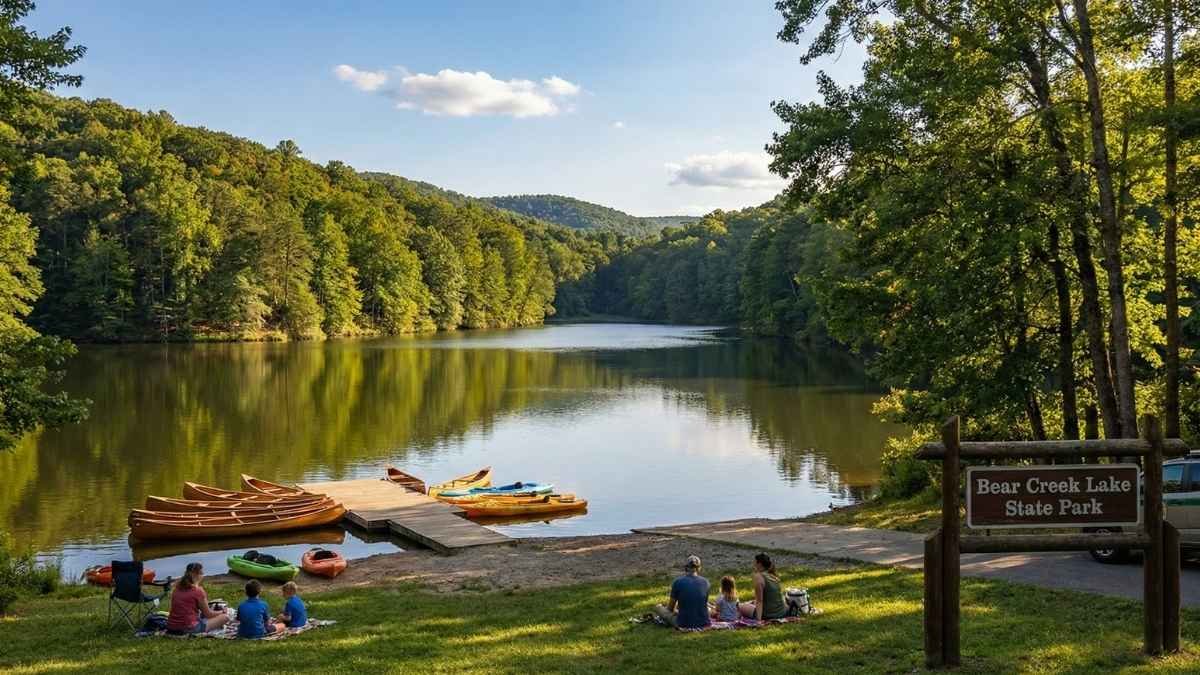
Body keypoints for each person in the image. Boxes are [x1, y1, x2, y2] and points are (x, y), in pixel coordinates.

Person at [165, 562, 230, 635]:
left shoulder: (176, 588)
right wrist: (223, 612)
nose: (203, 576)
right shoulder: (198, 591)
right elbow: (208, 614)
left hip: (171, 627)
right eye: (202, 573)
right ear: (197, 575)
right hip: (188, 628)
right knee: (225, 617)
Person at [652, 554, 710, 629]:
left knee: (658, 607)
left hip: (683, 623)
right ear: (699, 568)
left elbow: (670, 608)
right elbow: (703, 603)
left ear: (686, 567)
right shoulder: (706, 582)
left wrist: (674, 610)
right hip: (703, 622)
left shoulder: (678, 582)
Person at [739, 552, 788, 621]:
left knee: (739, 606)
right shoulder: (774, 576)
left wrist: (759, 620)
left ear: (759, 564)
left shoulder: (758, 577)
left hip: (768, 614)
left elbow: (759, 601)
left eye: (755, 562)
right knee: (752, 602)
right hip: (782, 613)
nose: (753, 564)